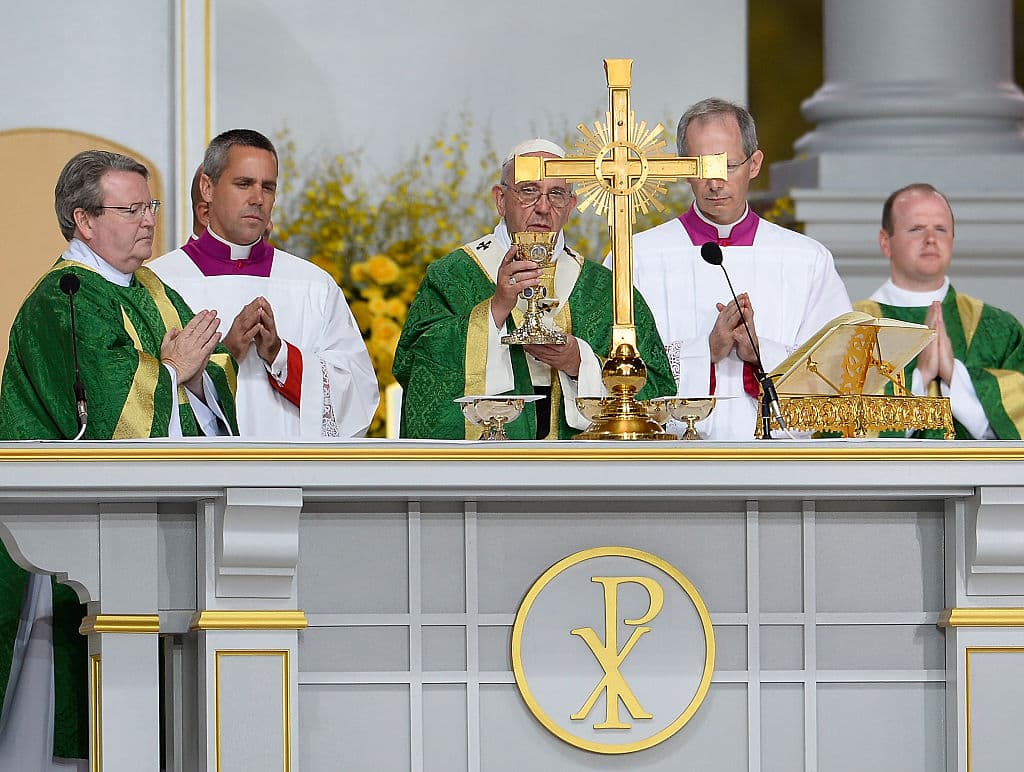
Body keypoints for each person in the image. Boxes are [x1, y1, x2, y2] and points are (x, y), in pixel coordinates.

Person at [0, 150, 238, 767]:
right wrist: (173, 372)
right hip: (67, 532)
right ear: (83, 220)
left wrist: (193, 376)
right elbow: (109, 404)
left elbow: (203, 376)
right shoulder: (64, 297)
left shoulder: (152, 291)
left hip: (158, 519)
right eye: (130, 209)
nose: (146, 222)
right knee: (66, 709)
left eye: (150, 206)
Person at [394, 138, 675, 439]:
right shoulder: (454, 274)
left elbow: (657, 393)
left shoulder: (605, 288)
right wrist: (496, 309)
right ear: (501, 199)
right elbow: (414, 367)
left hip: (579, 470)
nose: (542, 207)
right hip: (485, 469)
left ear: (570, 207)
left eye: (556, 194)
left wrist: (580, 363)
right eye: (528, 191)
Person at [623, 98, 853, 440]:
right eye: (702, 167)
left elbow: (837, 369)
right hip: (670, 461)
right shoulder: (636, 257)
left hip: (777, 462)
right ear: (683, 168)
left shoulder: (805, 259)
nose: (715, 183)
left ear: (755, 163)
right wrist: (707, 351)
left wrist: (760, 353)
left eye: (728, 165)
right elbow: (616, 374)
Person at [150, 129, 378, 439]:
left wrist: (280, 355)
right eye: (243, 184)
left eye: (267, 187)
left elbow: (359, 395)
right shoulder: (157, 282)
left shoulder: (312, 285)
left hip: (293, 476)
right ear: (207, 187)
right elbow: (139, 398)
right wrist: (223, 357)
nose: (258, 199)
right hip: (197, 476)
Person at [855, 183, 1024, 438]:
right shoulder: (853, 328)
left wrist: (955, 375)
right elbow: (835, 425)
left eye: (941, 229)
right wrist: (919, 378)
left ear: (953, 240)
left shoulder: (998, 329)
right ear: (885, 242)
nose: (931, 239)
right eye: (916, 229)